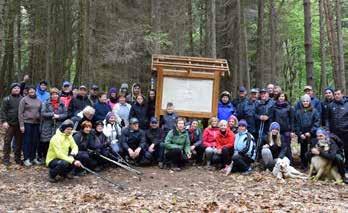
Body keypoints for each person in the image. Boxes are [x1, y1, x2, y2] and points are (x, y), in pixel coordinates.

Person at [39, 88, 68, 163]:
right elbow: (43, 113)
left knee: (56, 142)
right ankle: (44, 157)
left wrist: (58, 116)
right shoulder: (46, 103)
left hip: (58, 126)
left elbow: (65, 114)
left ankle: (54, 158)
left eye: (56, 94)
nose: (55, 96)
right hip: (47, 125)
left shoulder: (62, 103)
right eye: (53, 94)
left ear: (58, 95)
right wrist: (52, 114)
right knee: (46, 142)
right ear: (50, 95)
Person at [294, 94, 320, 169]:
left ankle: (313, 165)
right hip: (302, 134)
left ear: (309, 102)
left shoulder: (314, 111)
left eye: (307, 101)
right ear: (301, 102)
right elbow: (296, 124)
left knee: (312, 149)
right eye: (304, 101)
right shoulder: (298, 112)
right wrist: (299, 133)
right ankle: (304, 164)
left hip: (312, 134)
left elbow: (317, 122)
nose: (305, 102)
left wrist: (311, 132)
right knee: (303, 150)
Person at [18, 85, 42, 166]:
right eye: (30, 90)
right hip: (27, 123)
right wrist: (21, 125)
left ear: (35, 91)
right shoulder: (24, 100)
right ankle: (26, 158)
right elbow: (20, 113)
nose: (32, 92)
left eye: (33, 90)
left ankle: (33, 158)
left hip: (36, 123)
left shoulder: (38, 100)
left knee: (35, 141)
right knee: (27, 141)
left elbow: (40, 112)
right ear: (28, 92)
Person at [325, 89, 348, 173]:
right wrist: (327, 129)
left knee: (346, 150)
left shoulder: (347, 104)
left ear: (342, 94)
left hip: (345, 132)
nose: (337, 96)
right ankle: (338, 168)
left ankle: (346, 168)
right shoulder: (331, 105)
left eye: (338, 94)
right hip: (334, 133)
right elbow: (327, 119)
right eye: (335, 94)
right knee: (336, 151)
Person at [0, 83, 23, 165]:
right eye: (15, 88)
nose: (16, 89)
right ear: (11, 89)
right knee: (7, 142)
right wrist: (4, 121)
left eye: (18, 88)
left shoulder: (22, 99)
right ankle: (6, 159)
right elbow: (3, 111)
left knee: (19, 143)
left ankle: (17, 158)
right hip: (9, 124)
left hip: (19, 124)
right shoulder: (7, 99)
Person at [269, 92, 294, 158]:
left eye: (283, 96)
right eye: (280, 96)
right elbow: (271, 119)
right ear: (277, 97)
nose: (281, 98)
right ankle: (277, 161)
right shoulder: (274, 107)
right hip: (276, 130)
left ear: (285, 97)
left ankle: (290, 162)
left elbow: (292, 119)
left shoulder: (289, 107)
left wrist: (292, 130)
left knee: (287, 146)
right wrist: (271, 129)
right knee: (277, 145)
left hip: (286, 130)